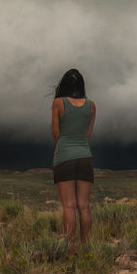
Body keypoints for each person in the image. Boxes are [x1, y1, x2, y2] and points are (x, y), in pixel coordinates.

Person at [51, 68, 96, 249]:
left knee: (69, 206)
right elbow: (87, 135)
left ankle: (69, 250)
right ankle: (86, 249)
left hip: (64, 157)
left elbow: (56, 133)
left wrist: (63, 150)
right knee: (84, 206)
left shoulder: (58, 103)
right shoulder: (91, 105)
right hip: (85, 156)